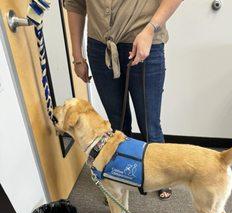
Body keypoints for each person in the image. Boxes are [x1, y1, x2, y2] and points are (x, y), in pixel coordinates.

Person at [63, 0, 183, 200]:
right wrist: (77, 56)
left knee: (149, 122)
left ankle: (163, 176)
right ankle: (119, 177)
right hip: (99, 47)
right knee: (117, 122)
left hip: (145, 42)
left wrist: (151, 29)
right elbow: (75, 5)